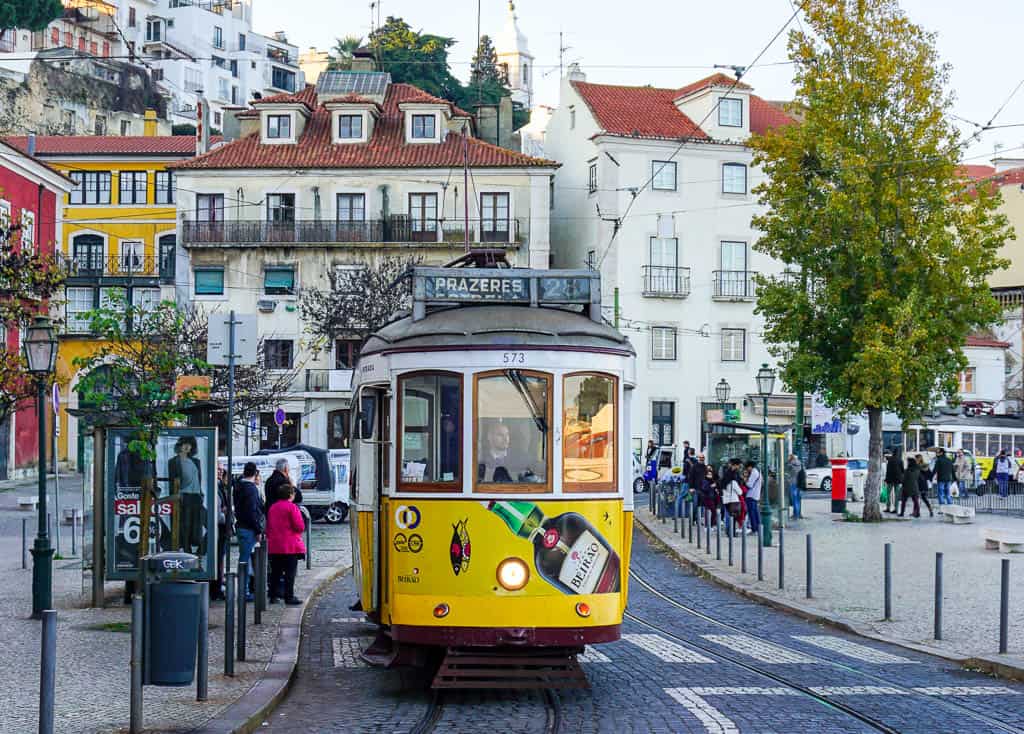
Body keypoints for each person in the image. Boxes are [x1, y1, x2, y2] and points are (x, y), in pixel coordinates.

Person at [266, 482, 306, 606]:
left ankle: (273, 595)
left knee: (275, 573)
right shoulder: (292, 507)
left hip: (275, 545)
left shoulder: (273, 507)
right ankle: (289, 596)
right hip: (289, 546)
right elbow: (299, 526)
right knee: (290, 573)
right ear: (290, 494)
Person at [233, 462, 264, 601]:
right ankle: (244, 592)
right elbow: (252, 511)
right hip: (248, 528)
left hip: (241, 526)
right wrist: (258, 529)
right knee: (245, 560)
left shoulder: (239, 485)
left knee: (244, 559)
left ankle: (245, 589)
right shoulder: (250, 489)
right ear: (255, 473)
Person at [168, 436, 204, 554]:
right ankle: (186, 547)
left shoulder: (196, 461)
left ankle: (199, 549)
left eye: (190, 444)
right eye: (185, 444)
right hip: (184, 495)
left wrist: (201, 494)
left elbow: (199, 479)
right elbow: (172, 481)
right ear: (180, 445)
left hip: (196, 496)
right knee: (186, 523)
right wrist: (175, 497)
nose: (187, 446)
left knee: (198, 523)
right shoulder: (174, 462)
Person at [213, 466, 231, 601]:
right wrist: (225, 514)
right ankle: (216, 587)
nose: (220, 472)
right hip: (218, 527)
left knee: (220, 557)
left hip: (222, 528)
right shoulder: (216, 489)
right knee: (218, 557)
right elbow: (216, 513)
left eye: (221, 470)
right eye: (218, 469)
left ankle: (218, 583)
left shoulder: (220, 488)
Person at [744, 460, 762, 536]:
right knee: (755, 512)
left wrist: (745, 481)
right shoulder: (757, 472)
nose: (747, 470)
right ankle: (757, 528)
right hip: (755, 495)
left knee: (752, 513)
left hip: (751, 495)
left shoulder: (754, 473)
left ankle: (754, 529)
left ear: (750, 467)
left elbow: (749, 484)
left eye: (747, 468)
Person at [786, 453, 804, 519]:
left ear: (791, 458)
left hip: (793, 483)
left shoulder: (791, 465)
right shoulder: (799, 463)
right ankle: (798, 514)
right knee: (798, 499)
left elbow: (789, 474)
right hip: (799, 483)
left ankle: (796, 515)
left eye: (788, 457)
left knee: (795, 500)